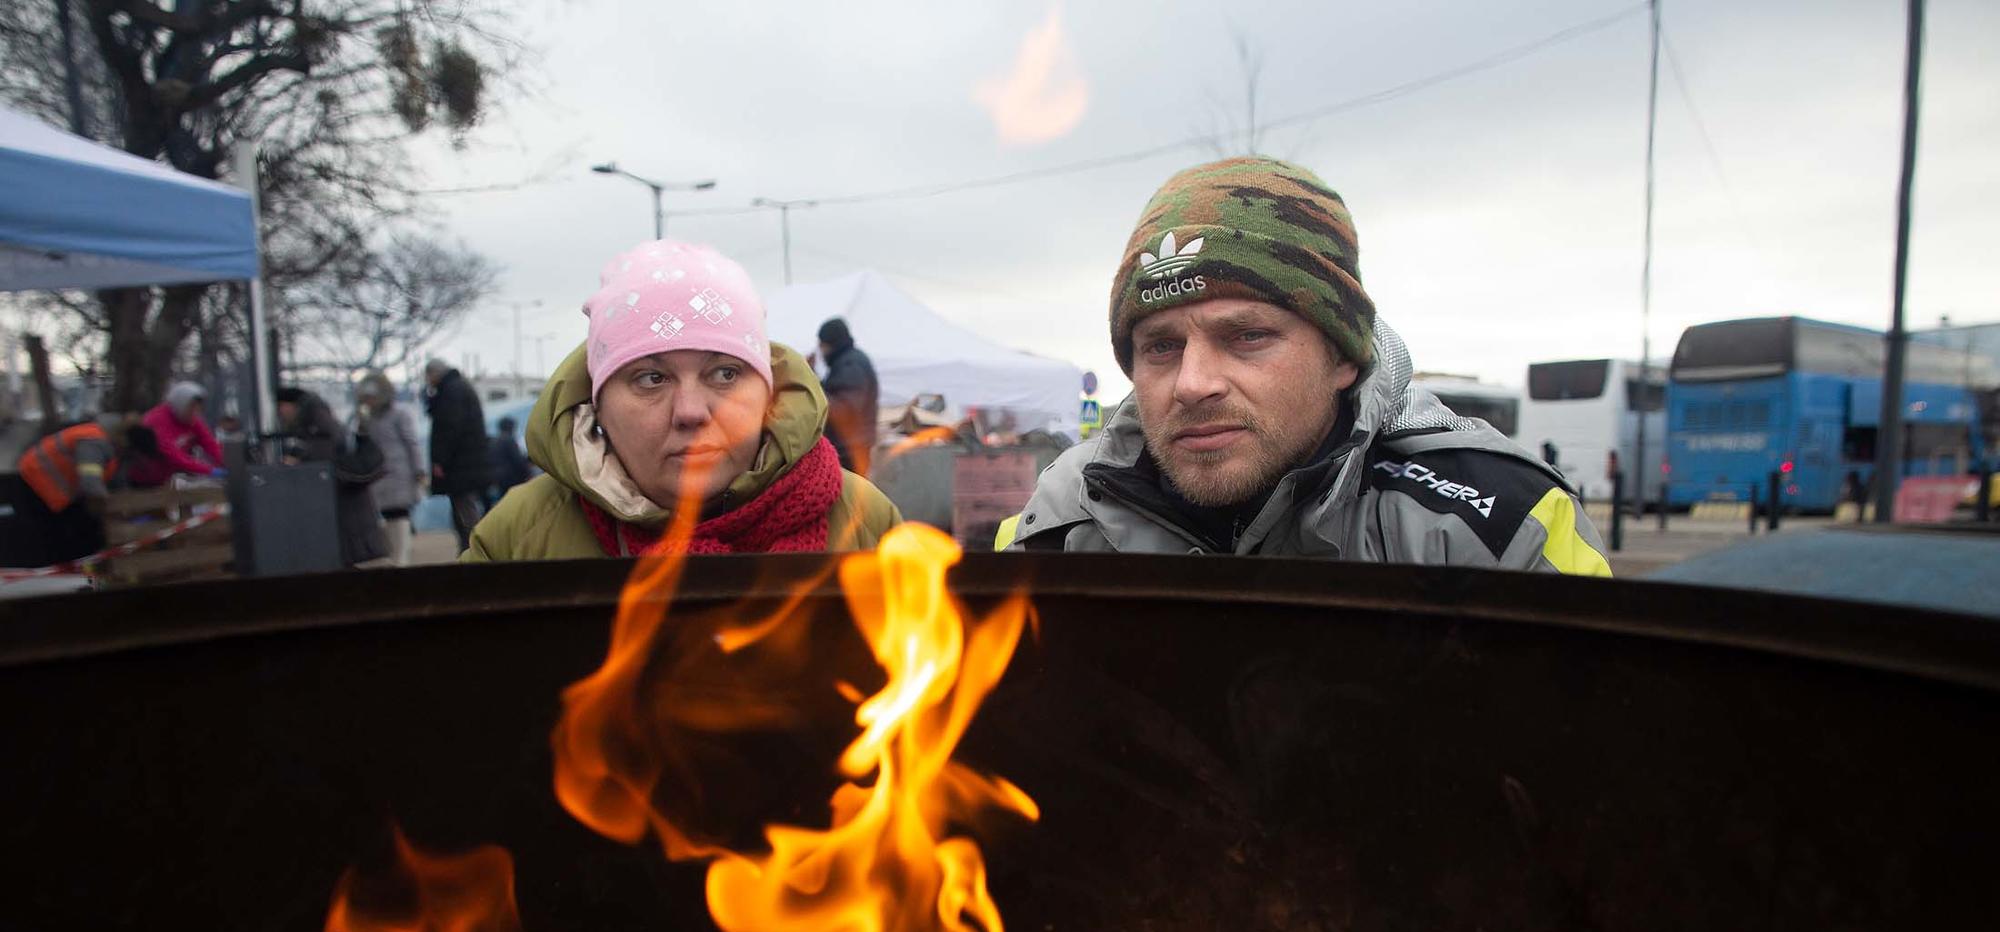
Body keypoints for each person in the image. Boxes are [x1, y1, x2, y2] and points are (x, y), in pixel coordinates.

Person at [998, 157, 1610, 575]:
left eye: (1248, 336)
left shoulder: (1497, 526)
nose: (1193, 383)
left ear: (1342, 355)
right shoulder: (1057, 522)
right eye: (1161, 346)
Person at [465, 240, 900, 562]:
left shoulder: (863, 521)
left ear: (767, 394)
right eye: (651, 378)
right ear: (598, 405)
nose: (691, 411)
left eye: (725, 374)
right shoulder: (517, 539)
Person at [9, 417, 155, 564]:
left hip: (53, 492)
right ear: (130, 448)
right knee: (53, 539)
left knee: (77, 534)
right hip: (34, 484)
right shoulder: (94, 443)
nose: (138, 464)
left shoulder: (115, 455)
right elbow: (91, 485)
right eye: (138, 458)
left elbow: (117, 487)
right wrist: (109, 510)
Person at [276, 386, 386, 567]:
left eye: (281, 406)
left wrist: (301, 461)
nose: (280, 412)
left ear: (292, 406)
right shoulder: (315, 422)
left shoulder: (316, 425)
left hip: (345, 512)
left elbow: (328, 451)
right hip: (349, 511)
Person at [355, 372, 427, 566]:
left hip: (399, 472)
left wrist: (419, 470)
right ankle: (392, 555)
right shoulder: (367, 418)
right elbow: (362, 443)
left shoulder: (400, 414)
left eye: (371, 397)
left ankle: (401, 558)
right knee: (386, 515)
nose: (368, 401)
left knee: (399, 513)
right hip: (378, 474)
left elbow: (412, 443)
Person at [424, 357, 490, 551]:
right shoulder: (459, 387)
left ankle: (473, 548)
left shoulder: (450, 392)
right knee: (463, 504)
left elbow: (448, 429)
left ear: (434, 374)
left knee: (463, 506)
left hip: (460, 463)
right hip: (467, 460)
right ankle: (470, 547)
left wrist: (439, 460)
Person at [816, 317, 880, 478]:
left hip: (850, 450)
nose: (820, 351)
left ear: (830, 343)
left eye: (822, 345)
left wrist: (812, 389)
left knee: (847, 492)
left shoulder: (851, 365)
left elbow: (845, 409)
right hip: (850, 446)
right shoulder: (847, 361)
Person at [134, 381, 225, 485]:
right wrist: (210, 471)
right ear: (181, 404)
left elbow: (210, 444)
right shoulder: (158, 420)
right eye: (191, 407)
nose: (196, 412)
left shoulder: (191, 420)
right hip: (140, 479)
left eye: (198, 408)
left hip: (163, 479)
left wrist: (226, 463)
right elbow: (173, 456)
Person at [487, 415, 533, 504]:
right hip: (513, 478)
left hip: (500, 480)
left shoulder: (495, 442)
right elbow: (518, 460)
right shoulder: (509, 440)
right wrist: (528, 473)